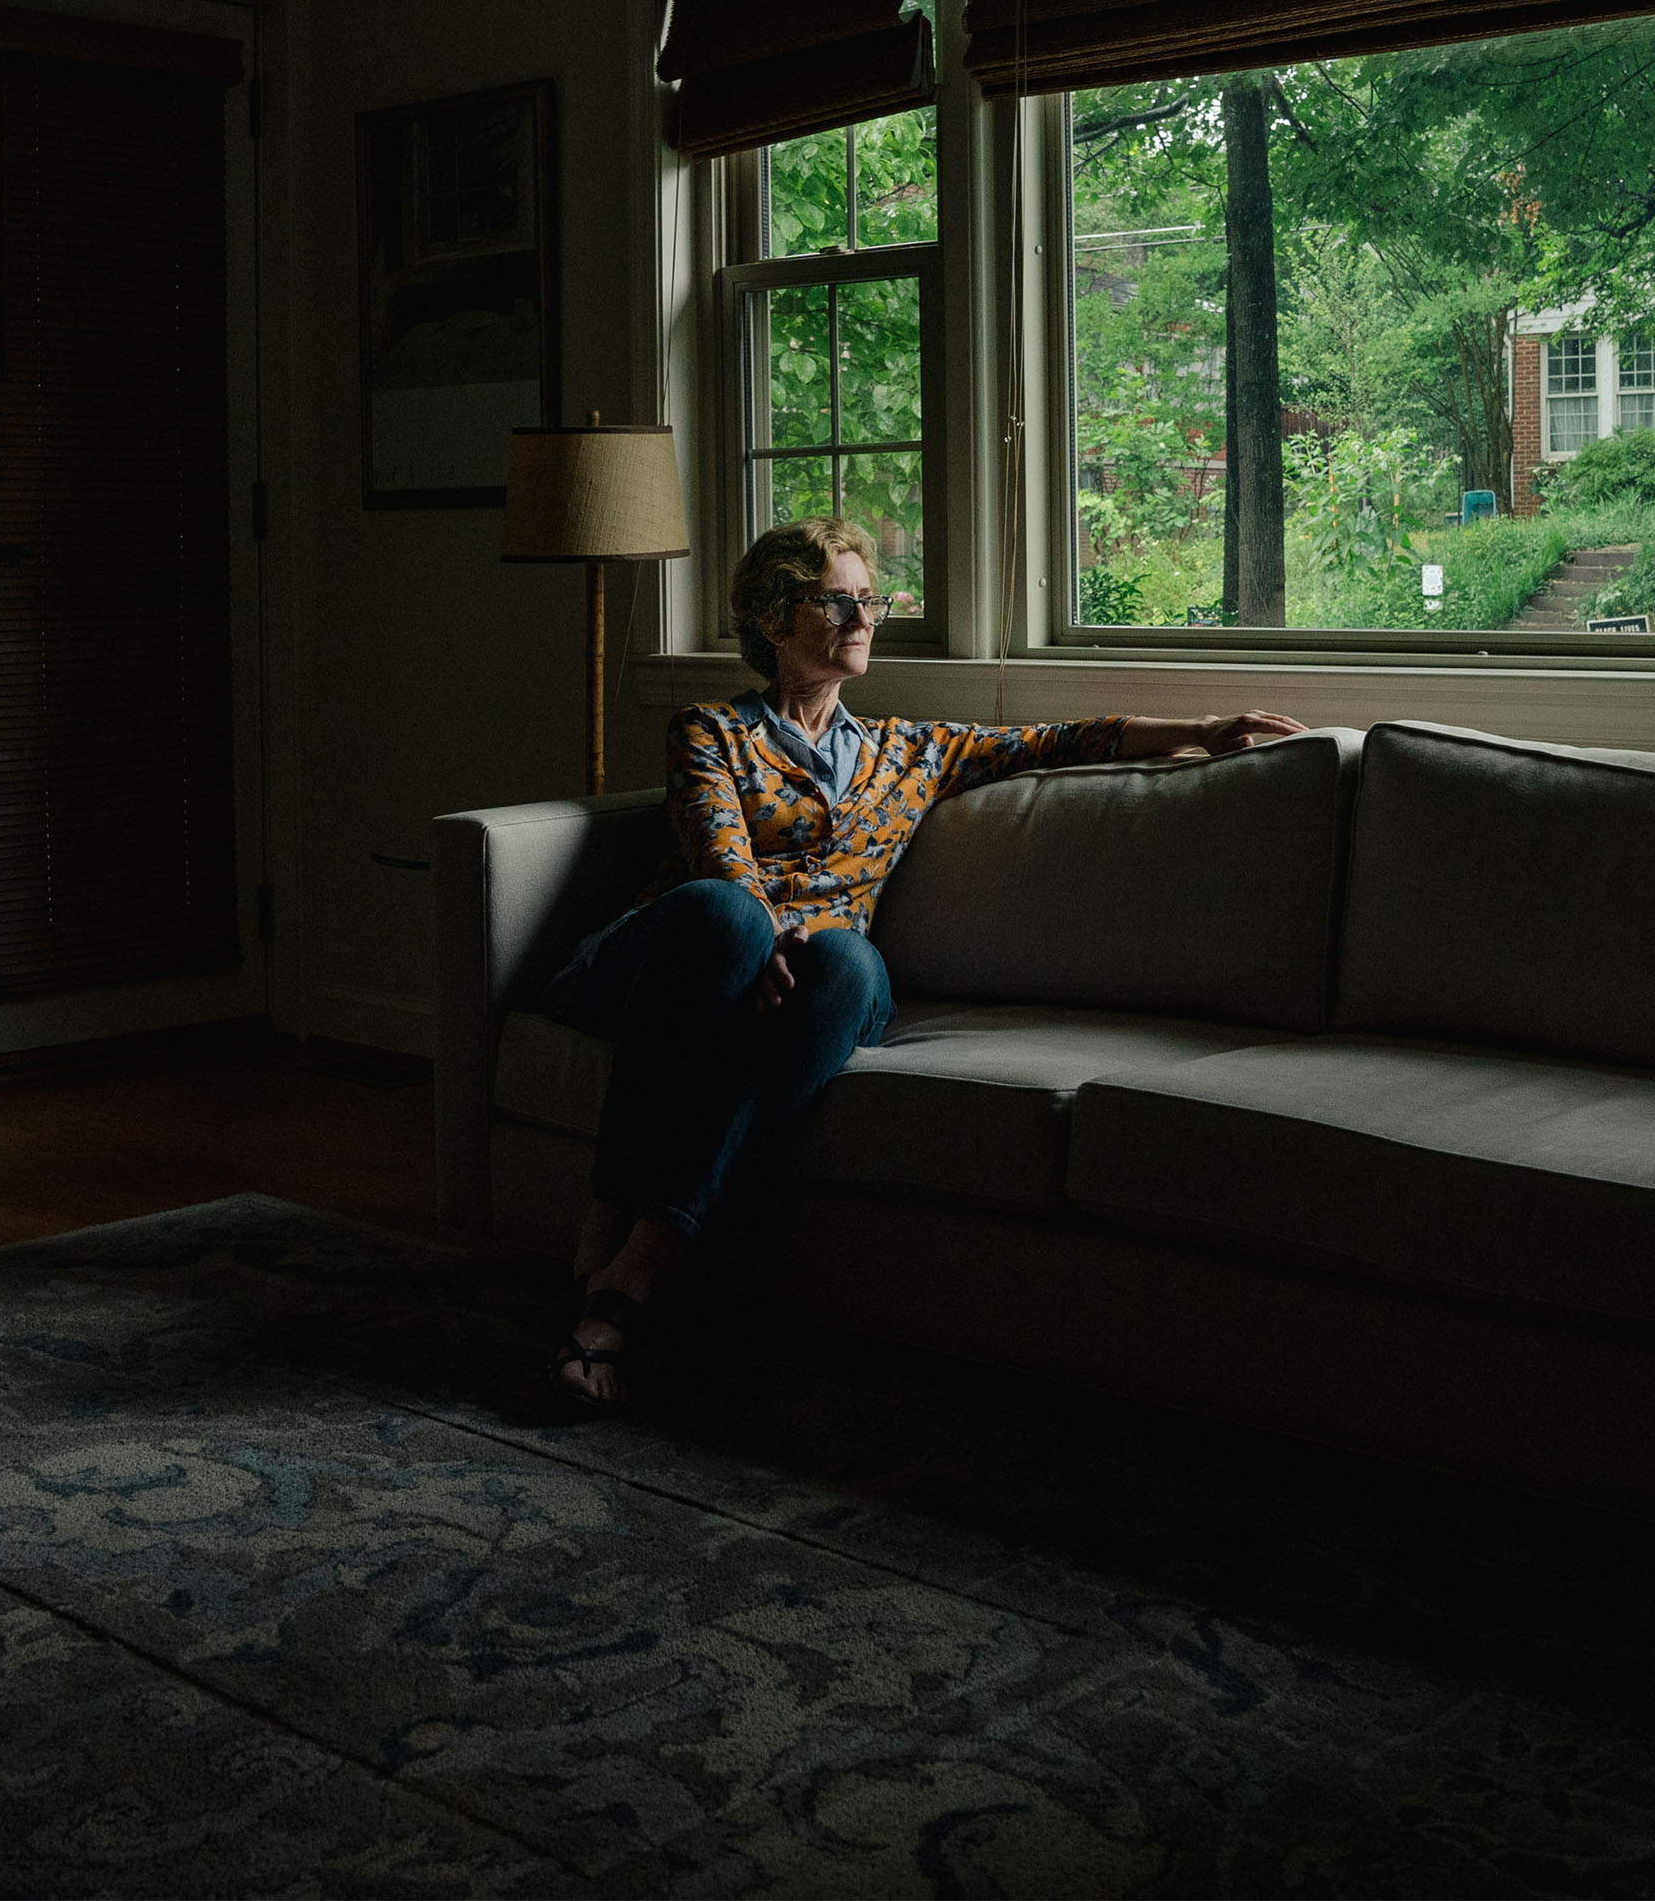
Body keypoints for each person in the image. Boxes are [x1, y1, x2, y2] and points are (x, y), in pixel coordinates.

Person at [539, 513, 1303, 1405]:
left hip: (807, 987)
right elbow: (721, 855)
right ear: (773, 619)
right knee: (723, 916)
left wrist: (1204, 727)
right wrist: (769, 924)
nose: (864, 617)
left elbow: (1061, 741)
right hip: (682, 960)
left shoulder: (910, 752)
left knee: (852, 967)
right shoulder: (709, 730)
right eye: (838, 601)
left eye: (872, 599)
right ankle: (606, 1216)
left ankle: (641, 1260)